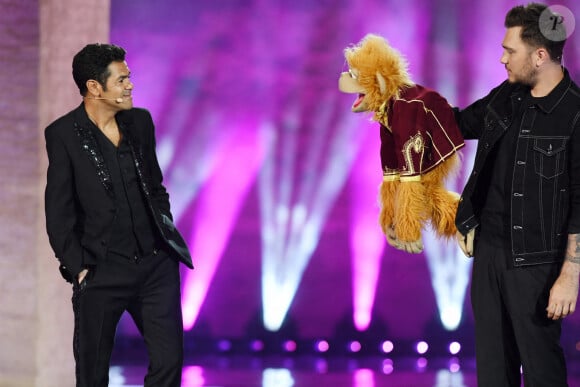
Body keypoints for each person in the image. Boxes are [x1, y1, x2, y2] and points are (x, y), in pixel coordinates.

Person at [44, 43, 193, 387]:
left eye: (130, 78)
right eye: (122, 79)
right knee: (92, 374)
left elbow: (156, 187)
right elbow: (58, 209)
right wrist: (78, 266)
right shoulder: (63, 134)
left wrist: (165, 237)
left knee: (169, 363)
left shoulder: (140, 122)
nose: (130, 85)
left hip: (156, 267)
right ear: (94, 87)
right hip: (102, 269)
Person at [453, 3, 580, 386]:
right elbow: (456, 123)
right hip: (489, 252)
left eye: (510, 51)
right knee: (494, 373)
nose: (502, 58)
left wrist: (570, 276)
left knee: (542, 372)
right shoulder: (507, 96)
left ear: (540, 56)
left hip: (537, 264)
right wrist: (395, 101)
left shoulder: (575, 113)